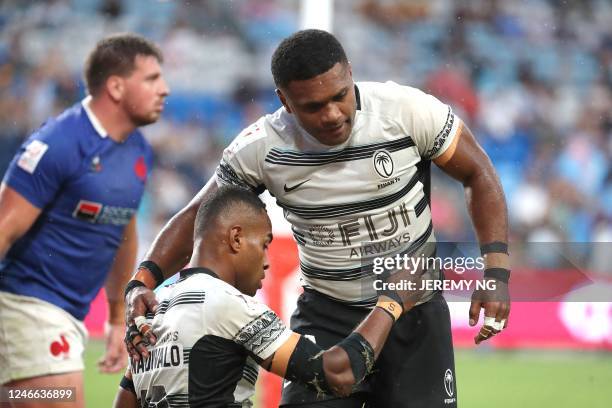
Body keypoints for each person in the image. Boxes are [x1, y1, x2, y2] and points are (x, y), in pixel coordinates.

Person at [125, 29, 510, 408]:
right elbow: (200, 215)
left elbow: (479, 173)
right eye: (312, 106)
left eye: (339, 96)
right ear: (285, 101)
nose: (331, 114)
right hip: (327, 315)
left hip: (415, 313)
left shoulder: (407, 111)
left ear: (350, 74)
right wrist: (141, 282)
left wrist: (496, 272)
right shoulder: (261, 148)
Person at [114, 185, 421, 408]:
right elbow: (338, 373)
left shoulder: (154, 311)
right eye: (263, 244)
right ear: (236, 238)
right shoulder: (228, 306)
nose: (266, 260)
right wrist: (391, 303)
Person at [0, 33, 169, 407]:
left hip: (70, 314)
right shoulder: (58, 143)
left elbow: (123, 234)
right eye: (152, 79)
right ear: (116, 86)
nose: (165, 89)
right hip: (28, 305)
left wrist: (115, 317)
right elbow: (3, 227)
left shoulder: (137, 149)